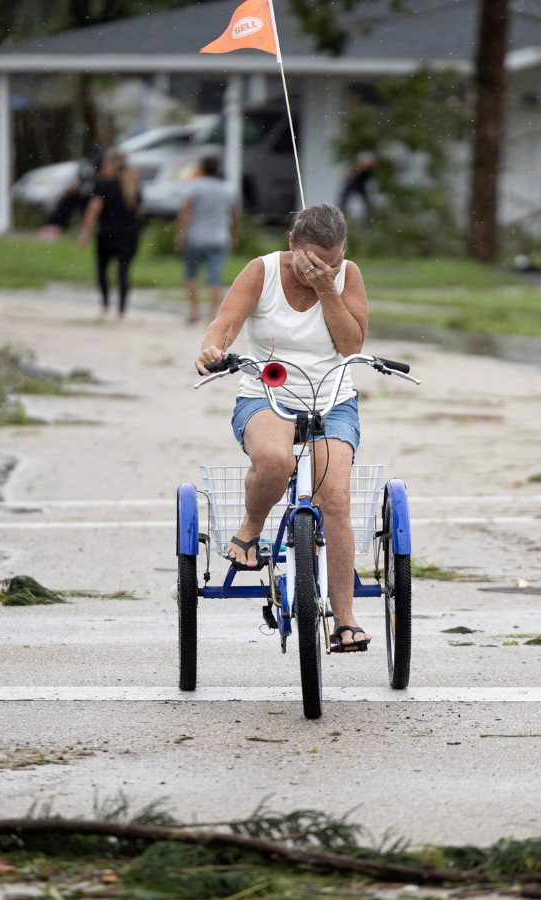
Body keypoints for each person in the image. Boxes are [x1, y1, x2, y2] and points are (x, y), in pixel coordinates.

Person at [193, 204, 372, 653]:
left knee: (335, 498)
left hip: (332, 397)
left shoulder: (346, 276)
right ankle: (251, 527)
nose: (320, 267)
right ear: (292, 243)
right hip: (265, 394)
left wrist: (328, 288)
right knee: (274, 460)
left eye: (331, 261)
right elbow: (224, 325)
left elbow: (351, 346)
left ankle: (345, 619)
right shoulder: (262, 271)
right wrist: (213, 349)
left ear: (343, 252)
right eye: (311, 259)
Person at [78, 149, 142, 318]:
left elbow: (94, 208)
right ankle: (122, 310)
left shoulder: (104, 185)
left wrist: (85, 231)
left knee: (102, 269)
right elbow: (139, 212)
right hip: (129, 234)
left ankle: (105, 305)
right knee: (123, 271)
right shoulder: (133, 187)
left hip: (107, 233)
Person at [175, 155, 238, 325]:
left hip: (196, 236)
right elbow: (232, 214)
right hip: (219, 236)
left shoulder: (194, 186)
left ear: (202, 168)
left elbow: (186, 211)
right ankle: (212, 314)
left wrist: (180, 234)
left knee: (191, 274)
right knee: (215, 277)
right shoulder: (226, 188)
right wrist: (233, 235)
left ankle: (194, 311)